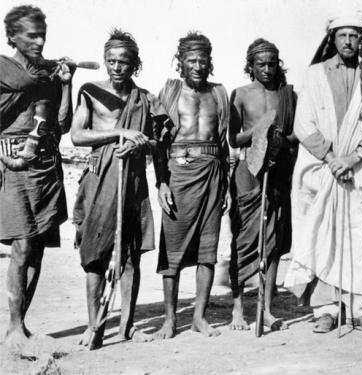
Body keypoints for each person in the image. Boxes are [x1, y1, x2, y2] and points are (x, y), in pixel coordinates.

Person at [283, 11, 362, 334]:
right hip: (322, 168)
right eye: (343, 35)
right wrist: (332, 158)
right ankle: (326, 310)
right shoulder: (315, 74)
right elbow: (304, 124)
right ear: (332, 38)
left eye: (355, 35)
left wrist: (354, 158)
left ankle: (358, 308)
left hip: (359, 170)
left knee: (358, 237)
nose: (349, 41)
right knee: (320, 235)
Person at [70, 29, 159, 347]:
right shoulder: (91, 90)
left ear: (135, 63)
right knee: (95, 254)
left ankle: (127, 326)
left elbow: (154, 143)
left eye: (123, 61)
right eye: (111, 60)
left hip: (133, 181)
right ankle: (94, 324)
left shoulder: (145, 98)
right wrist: (119, 132)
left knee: (131, 255)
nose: (116, 66)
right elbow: (78, 136)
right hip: (100, 178)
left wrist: (139, 144)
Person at [0, 5, 74, 351]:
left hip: (46, 162)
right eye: (31, 35)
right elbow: (24, 85)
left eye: (42, 34)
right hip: (14, 161)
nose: (40, 41)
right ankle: (13, 328)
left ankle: (21, 325)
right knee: (22, 245)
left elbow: (63, 124)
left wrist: (67, 85)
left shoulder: (47, 76)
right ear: (11, 36)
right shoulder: (4, 69)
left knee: (39, 248)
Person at [153, 32, 229, 339]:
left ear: (210, 62)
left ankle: (199, 317)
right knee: (172, 249)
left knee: (207, 251)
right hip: (178, 176)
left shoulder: (220, 93)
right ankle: (169, 320)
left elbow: (223, 145)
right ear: (180, 62)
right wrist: (160, 183)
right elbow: (159, 143)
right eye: (191, 60)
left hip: (212, 175)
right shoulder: (169, 92)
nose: (197, 66)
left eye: (203, 60)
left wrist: (223, 187)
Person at [227, 38, 297, 332]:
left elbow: (297, 135)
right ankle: (238, 308)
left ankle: (266, 308)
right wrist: (259, 131)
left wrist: (282, 139)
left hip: (278, 171)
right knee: (244, 238)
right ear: (250, 65)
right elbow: (233, 138)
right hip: (248, 171)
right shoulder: (241, 94)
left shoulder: (288, 95)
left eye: (271, 63)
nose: (267, 69)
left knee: (273, 241)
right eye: (260, 64)